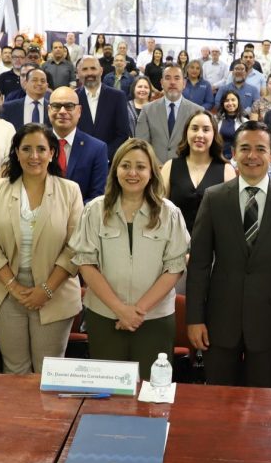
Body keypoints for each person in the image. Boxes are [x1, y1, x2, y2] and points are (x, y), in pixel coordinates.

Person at [186, 121, 271, 387]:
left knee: (263, 402)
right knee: (219, 400)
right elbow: (198, 265)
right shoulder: (214, 198)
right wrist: (195, 319)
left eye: (260, 149)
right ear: (233, 153)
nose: (252, 155)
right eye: (244, 148)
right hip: (219, 322)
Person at [69, 139, 190, 380]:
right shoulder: (94, 210)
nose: (132, 173)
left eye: (140, 167)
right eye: (125, 166)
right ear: (115, 170)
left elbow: (175, 267)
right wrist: (120, 309)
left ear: (152, 172)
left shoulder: (170, 213)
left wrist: (138, 311)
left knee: (151, 388)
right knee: (108, 390)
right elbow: (86, 263)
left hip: (154, 319)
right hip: (105, 316)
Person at [0, 123, 85, 374]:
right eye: (26, 149)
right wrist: (14, 287)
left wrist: (46, 290)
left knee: (49, 372)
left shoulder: (70, 191)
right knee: (14, 370)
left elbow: (75, 247)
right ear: (16, 152)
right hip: (7, 291)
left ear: (52, 153)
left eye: (41, 149)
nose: (33, 156)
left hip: (55, 292)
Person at [160, 110, 235, 233]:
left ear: (214, 134)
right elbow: (159, 211)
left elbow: (232, 217)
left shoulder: (227, 170)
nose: (200, 135)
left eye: (206, 130)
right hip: (175, 241)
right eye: (194, 129)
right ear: (186, 132)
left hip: (214, 242)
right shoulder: (170, 167)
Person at [47, 87, 108, 204]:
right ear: (49, 110)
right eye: (56, 106)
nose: (62, 111)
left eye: (69, 106)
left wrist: (73, 212)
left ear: (79, 111)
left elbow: (97, 197)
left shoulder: (97, 149)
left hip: (81, 214)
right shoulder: (37, 145)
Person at [135, 64, 205, 164]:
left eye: (177, 78)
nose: (172, 82)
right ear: (161, 83)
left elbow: (199, 146)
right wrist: (157, 166)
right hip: (154, 168)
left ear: (184, 83)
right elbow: (141, 144)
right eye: (167, 78)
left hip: (185, 168)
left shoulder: (197, 111)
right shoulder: (147, 110)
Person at [77, 56, 132, 162]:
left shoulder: (118, 97)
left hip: (108, 162)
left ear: (101, 71)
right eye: (84, 69)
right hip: (79, 161)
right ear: (78, 73)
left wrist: (103, 156)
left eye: (93, 68)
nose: (89, 73)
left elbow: (123, 134)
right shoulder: (73, 97)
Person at [215, 89, 245, 159]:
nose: (230, 103)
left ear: (238, 102)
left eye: (233, 100)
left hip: (237, 158)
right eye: (227, 100)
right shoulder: (215, 119)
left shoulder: (245, 122)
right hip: (218, 156)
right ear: (223, 103)